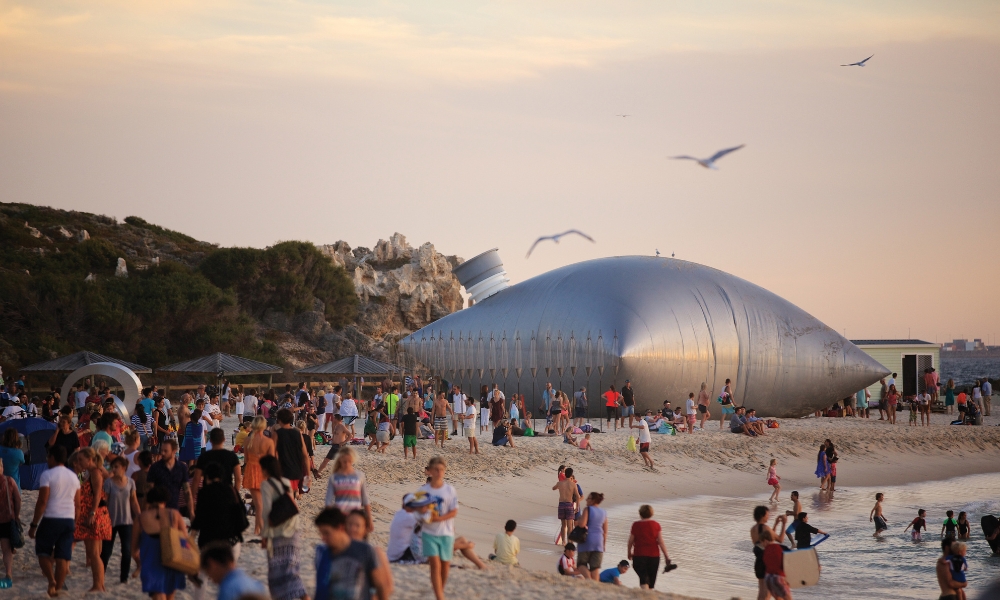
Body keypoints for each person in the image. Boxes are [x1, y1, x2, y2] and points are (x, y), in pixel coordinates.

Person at [28, 446, 81, 598]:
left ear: (52, 457)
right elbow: (78, 505)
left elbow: (42, 501)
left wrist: (34, 524)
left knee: (43, 551)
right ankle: (57, 588)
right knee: (63, 556)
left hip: (52, 517)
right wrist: (75, 522)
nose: (47, 460)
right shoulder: (73, 477)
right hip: (68, 519)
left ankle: (51, 580)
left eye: (48, 457)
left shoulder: (47, 475)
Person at [258, 455, 308, 600]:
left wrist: (265, 536)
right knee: (293, 571)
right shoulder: (286, 481)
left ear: (266, 470)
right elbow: (291, 504)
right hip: (293, 530)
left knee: (276, 574)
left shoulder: (266, 485)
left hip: (278, 533)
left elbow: (266, 512)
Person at [314, 507, 389, 600]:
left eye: (326, 533)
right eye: (350, 524)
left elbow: (382, 586)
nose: (323, 538)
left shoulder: (367, 550)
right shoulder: (322, 552)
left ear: (340, 528)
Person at [73, 447, 112, 592]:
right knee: (94, 553)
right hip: (95, 515)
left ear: (90, 460)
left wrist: (92, 513)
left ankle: (98, 585)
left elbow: (96, 495)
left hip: (95, 516)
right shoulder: (93, 471)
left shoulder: (96, 472)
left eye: (81, 460)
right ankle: (99, 584)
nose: (79, 462)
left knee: (94, 554)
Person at [419, 456, 458, 600]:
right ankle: (439, 596)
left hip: (446, 532)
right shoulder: (423, 490)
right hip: (429, 532)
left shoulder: (449, 490)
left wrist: (440, 518)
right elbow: (416, 510)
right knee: (435, 564)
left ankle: (440, 590)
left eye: (442, 469)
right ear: (430, 471)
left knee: (445, 565)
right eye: (436, 469)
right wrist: (425, 514)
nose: (439, 472)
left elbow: (454, 511)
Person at [100, 456, 141, 584]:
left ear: (124, 468)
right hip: (110, 521)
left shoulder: (130, 483)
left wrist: (139, 516)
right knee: (106, 552)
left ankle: (124, 579)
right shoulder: (109, 483)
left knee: (127, 551)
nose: (114, 469)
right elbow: (104, 500)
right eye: (113, 467)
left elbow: (134, 501)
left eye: (116, 467)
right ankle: (101, 576)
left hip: (126, 521)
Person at [324, 447, 372, 532]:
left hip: (356, 516)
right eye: (344, 462)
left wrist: (369, 519)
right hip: (340, 516)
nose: (347, 464)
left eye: (349, 461)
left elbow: (365, 499)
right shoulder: (334, 477)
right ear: (340, 460)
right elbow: (328, 501)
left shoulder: (359, 476)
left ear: (352, 460)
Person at [242, 416, 276, 535]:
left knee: (258, 502)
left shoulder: (247, 440)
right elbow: (271, 461)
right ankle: (259, 528)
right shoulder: (268, 442)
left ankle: (259, 528)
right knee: (260, 503)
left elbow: (245, 459)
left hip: (251, 470)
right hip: (264, 471)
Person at [628, 504, 674, 589]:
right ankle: (648, 595)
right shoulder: (656, 525)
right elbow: (661, 542)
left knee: (643, 578)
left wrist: (629, 552)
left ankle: (645, 595)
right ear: (651, 514)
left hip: (639, 555)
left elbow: (631, 541)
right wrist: (666, 556)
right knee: (651, 581)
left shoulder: (636, 525)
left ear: (640, 513)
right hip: (654, 555)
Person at [200, 542, 266, 600]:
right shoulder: (256, 584)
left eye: (209, 573)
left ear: (213, 564)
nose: (212, 580)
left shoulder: (228, 589)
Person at [192, 428, 242, 503]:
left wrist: (192, 498)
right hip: (226, 492)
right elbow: (238, 478)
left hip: (208, 494)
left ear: (211, 440)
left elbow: (196, 479)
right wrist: (235, 494)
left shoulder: (204, 457)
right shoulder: (231, 456)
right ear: (224, 439)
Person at [274, 408, 310, 495]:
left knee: (288, 498)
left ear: (279, 420)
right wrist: (308, 475)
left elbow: (273, 454)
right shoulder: (297, 433)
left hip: (284, 470)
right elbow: (305, 455)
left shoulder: (277, 433)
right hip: (297, 470)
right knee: (290, 495)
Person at [576, 492, 607, 579]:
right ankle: (595, 585)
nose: (586, 500)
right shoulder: (604, 512)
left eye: (588, 498)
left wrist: (576, 523)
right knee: (595, 567)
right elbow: (605, 531)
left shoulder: (588, 509)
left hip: (587, 540)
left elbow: (582, 524)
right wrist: (604, 544)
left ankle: (589, 579)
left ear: (593, 500)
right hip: (599, 542)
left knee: (581, 564)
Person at [0, 458, 21, 589]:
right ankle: (8, 573)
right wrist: (17, 515)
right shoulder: (9, 481)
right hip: (6, 518)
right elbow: (18, 500)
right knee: (7, 549)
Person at [760, 529, 792, 600]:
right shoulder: (781, 548)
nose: (762, 544)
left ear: (765, 540)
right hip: (778, 577)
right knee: (788, 598)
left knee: (778, 598)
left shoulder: (765, 551)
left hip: (768, 579)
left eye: (762, 542)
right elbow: (792, 558)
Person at [552, 468, 581, 546]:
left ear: (565, 474)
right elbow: (578, 496)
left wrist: (558, 486)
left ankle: (563, 541)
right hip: (569, 505)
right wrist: (577, 507)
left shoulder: (560, 483)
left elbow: (553, 488)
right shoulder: (573, 484)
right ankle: (569, 542)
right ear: (571, 475)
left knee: (563, 525)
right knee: (569, 526)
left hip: (561, 504)